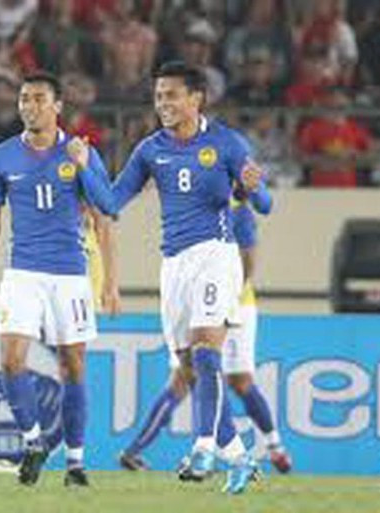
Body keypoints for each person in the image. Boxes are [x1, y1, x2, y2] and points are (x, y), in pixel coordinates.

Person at [75, 61, 272, 495]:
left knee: (206, 352)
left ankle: (202, 449)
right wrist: (86, 166)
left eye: (171, 95)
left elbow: (265, 205)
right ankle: (240, 458)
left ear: (196, 98)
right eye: (159, 95)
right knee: (190, 368)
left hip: (216, 255)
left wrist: (254, 188)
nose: (163, 103)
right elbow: (111, 202)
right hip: (174, 264)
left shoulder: (226, 142)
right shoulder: (150, 150)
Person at [0, 72, 114, 487]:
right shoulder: (1, 157)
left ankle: (75, 464)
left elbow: (105, 211)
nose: (29, 107)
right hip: (22, 272)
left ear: (57, 107)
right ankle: (34, 442)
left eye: (38, 99)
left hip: (70, 274)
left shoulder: (80, 151)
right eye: (24, 99)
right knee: (10, 360)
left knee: (73, 365)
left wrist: (110, 281)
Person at [119, 195, 291, 475]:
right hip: (198, 300)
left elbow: (249, 260)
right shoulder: (192, 203)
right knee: (189, 376)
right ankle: (152, 451)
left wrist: (228, 293)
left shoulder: (237, 210)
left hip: (235, 304)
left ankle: (272, 446)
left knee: (238, 381)